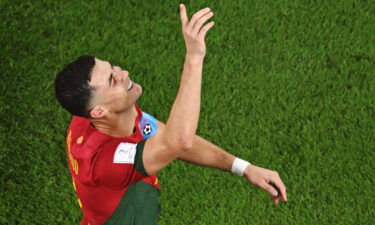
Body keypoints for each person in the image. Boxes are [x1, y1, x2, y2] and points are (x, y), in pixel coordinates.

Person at [54, 4, 287, 225]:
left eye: (113, 67)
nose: (123, 73)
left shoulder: (109, 113)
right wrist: (194, 58)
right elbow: (178, 141)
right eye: (112, 80)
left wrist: (243, 167)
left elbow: (167, 135)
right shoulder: (103, 163)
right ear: (99, 111)